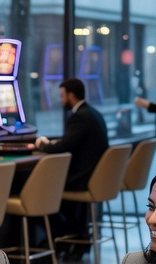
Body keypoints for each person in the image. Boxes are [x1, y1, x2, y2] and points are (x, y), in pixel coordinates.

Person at [35, 78, 109, 252]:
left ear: (71, 95)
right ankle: (73, 237)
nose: (61, 100)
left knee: (41, 190)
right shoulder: (92, 113)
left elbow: (62, 147)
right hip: (93, 175)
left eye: (62, 95)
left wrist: (42, 145)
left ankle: (64, 237)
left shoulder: (79, 117)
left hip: (81, 177)